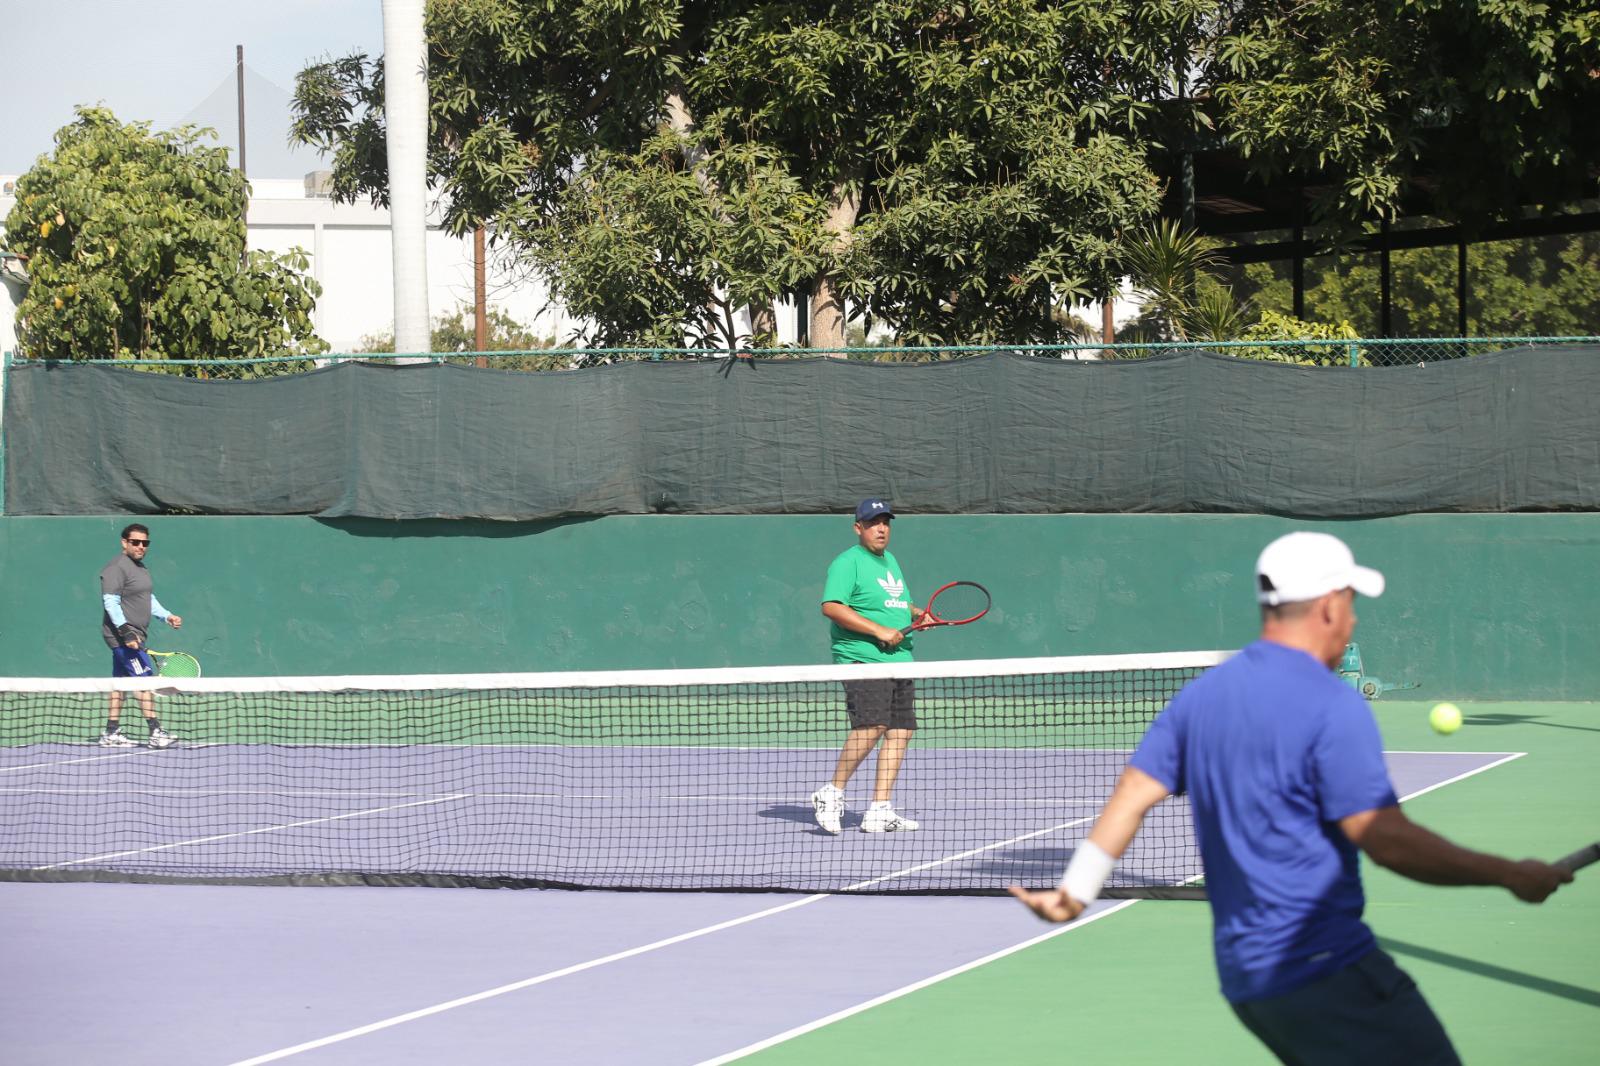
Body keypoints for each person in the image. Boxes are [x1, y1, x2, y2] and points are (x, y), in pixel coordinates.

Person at [1010, 531, 1572, 1065]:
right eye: (1351, 604)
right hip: (1327, 968)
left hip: (1248, 982)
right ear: (1329, 605)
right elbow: (1387, 841)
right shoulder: (1333, 704)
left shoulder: (1201, 697)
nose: (1353, 621)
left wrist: (1074, 892)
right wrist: (1509, 874)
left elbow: (1133, 792)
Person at [811, 498, 926, 834]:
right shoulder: (848, 562)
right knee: (872, 725)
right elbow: (832, 607)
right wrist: (878, 631)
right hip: (863, 659)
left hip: (899, 661)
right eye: (873, 523)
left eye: (885, 522)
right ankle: (831, 793)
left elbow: (897, 602)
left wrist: (917, 614)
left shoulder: (890, 561)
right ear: (858, 528)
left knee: (900, 731)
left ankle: (879, 810)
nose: (881, 529)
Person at [99, 524, 183, 749]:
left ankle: (111, 732)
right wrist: (126, 632)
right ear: (124, 542)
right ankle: (156, 731)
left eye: (145, 543)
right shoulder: (116, 568)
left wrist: (166, 616)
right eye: (135, 542)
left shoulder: (141, 568)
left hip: (134, 636)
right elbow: (110, 602)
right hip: (123, 637)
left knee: (121, 683)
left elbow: (147, 599)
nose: (140, 546)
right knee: (143, 681)